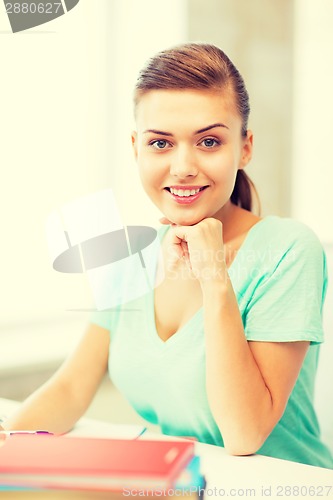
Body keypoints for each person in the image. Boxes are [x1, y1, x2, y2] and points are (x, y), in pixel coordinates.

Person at [1, 43, 332, 469]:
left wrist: (214, 275)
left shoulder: (289, 249)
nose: (183, 167)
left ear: (245, 148)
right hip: (180, 486)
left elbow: (244, 433)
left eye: (209, 141)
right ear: (136, 147)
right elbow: (70, 388)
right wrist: (6, 438)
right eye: (161, 144)